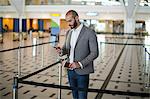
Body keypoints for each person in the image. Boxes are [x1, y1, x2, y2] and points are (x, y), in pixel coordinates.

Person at [56, 10, 99, 99]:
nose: (68, 23)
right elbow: (66, 48)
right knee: (75, 96)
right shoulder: (69, 32)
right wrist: (61, 51)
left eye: (70, 20)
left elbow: (95, 53)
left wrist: (79, 64)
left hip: (82, 72)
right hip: (70, 70)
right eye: (67, 21)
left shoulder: (89, 32)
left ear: (77, 18)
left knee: (82, 97)